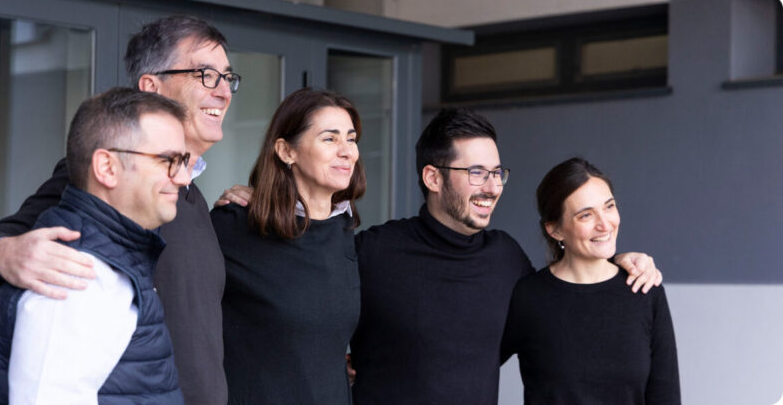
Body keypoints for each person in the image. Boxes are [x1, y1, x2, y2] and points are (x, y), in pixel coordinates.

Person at [215, 108, 662, 404]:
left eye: (497, 172)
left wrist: (619, 260)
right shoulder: (373, 250)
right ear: (432, 177)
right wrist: (262, 202)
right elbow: (304, 298)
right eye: (476, 172)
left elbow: (562, 304)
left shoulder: (506, 259)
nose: (492, 187)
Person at [0, 15, 238, 404]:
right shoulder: (106, 178)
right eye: (206, 75)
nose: (223, 92)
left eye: (228, 78)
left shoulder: (192, 197)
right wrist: (2, 252)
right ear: (152, 87)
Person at [0, 87, 191, 404]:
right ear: (106, 167)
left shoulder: (109, 259)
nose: (184, 177)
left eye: (184, 161)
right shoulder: (74, 277)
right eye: (168, 160)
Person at [211, 88, 365, 404]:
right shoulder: (234, 226)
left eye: (351, 139)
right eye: (330, 138)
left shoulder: (344, 232)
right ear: (286, 151)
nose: (347, 151)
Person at [500, 157, 680, 404]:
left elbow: (666, 397)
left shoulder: (645, 290)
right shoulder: (528, 296)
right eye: (585, 215)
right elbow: (471, 364)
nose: (605, 224)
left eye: (609, 206)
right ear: (555, 229)